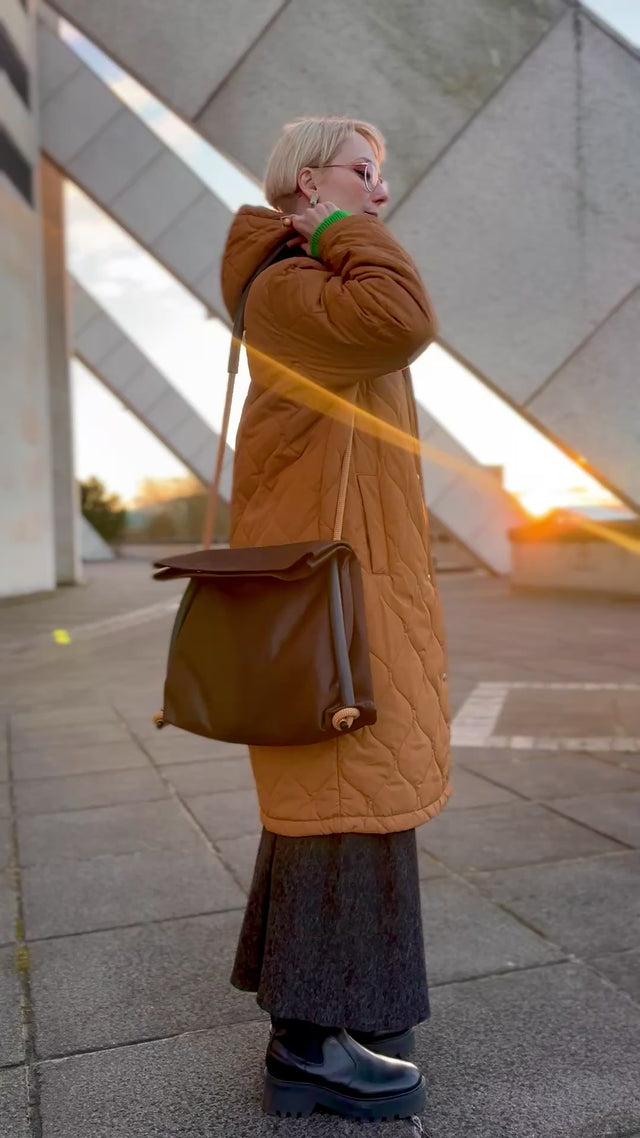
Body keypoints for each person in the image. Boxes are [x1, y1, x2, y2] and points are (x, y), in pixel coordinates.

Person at [220, 116, 451, 1122]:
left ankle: (361, 1005)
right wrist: (330, 230)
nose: (381, 193)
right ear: (307, 181)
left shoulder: (310, 280)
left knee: (358, 788)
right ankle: (308, 1042)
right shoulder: (290, 284)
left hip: (358, 579)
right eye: (364, 172)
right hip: (330, 591)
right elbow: (402, 320)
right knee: (339, 792)